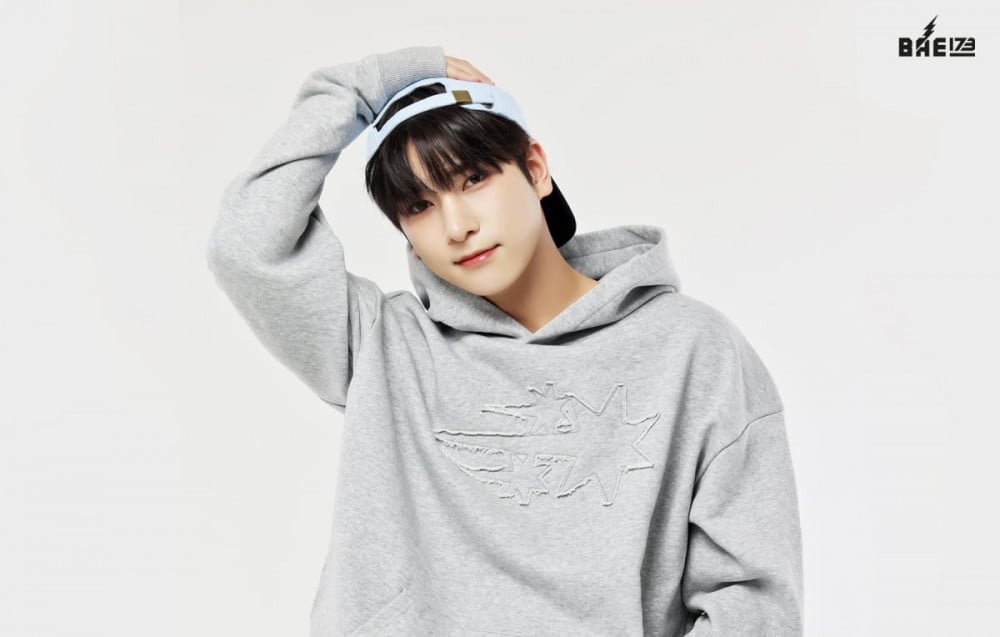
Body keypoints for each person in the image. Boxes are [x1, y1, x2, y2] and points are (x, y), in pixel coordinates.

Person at [205, 44, 804, 636]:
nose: (457, 225)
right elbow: (246, 245)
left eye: (474, 179)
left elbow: (753, 606)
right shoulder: (381, 347)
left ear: (535, 169)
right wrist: (361, 89)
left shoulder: (692, 350)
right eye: (420, 206)